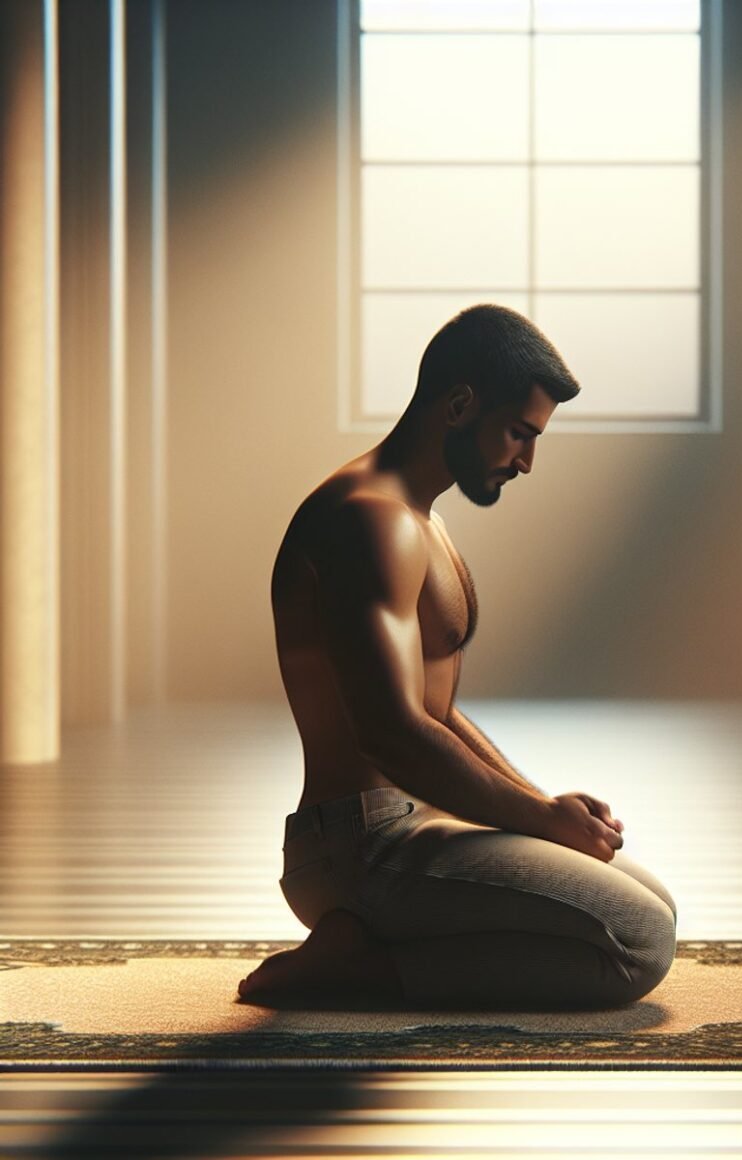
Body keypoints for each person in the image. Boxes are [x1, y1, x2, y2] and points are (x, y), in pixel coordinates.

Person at [238, 305, 676, 1009]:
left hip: (412, 827)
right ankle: (363, 972)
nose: (527, 460)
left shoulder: (424, 523)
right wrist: (538, 822)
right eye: (518, 433)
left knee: (650, 901)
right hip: (357, 849)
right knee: (641, 939)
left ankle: (362, 941)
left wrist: (545, 807)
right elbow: (389, 733)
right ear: (461, 404)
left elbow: (435, 713)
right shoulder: (367, 522)